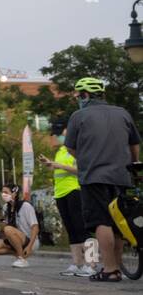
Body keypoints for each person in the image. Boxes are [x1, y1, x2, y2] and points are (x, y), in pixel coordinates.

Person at [64, 77, 142, 283]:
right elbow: (135, 145)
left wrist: (87, 157)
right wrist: (132, 166)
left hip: (94, 176)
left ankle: (109, 269)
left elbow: (70, 147)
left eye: (79, 95)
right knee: (119, 220)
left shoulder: (79, 116)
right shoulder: (122, 113)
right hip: (122, 176)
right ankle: (115, 266)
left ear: (85, 95)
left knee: (101, 221)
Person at [41, 117, 92, 277]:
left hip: (74, 190)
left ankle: (91, 264)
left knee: (82, 228)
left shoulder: (78, 148)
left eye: (60, 133)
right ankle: (77, 263)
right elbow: (60, 169)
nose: (58, 137)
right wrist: (50, 164)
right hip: (60, 192)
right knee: (71, 228)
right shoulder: (61, 150)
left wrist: (59, 165)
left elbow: (82, 170)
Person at [0, 187, 40, 267]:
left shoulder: (25, 206)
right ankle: (20, 254)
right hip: (14, 238)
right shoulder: (6, 207)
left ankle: (22, 259)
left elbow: (35, 227)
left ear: (14, 194)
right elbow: (3, 228)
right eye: (2, 192)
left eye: (6, 192)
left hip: (30, 241)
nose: (3, 194)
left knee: (8, 229)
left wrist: (29, 246)